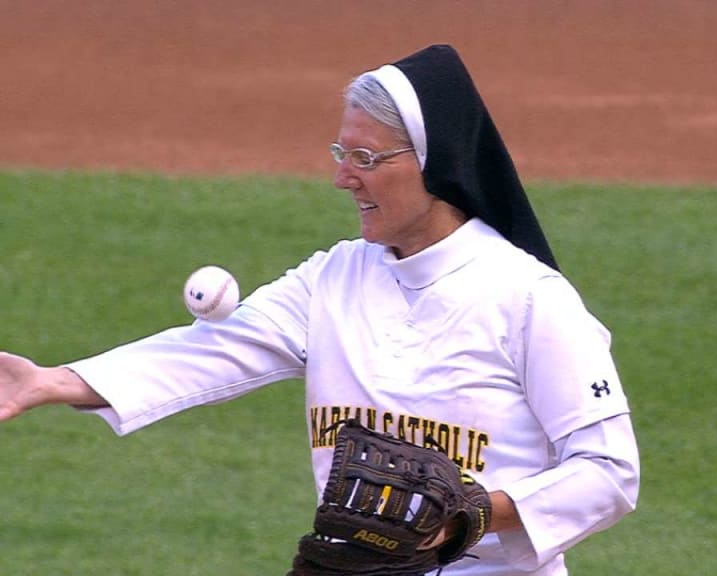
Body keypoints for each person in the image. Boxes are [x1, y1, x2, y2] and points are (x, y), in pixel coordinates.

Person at [0, 44, 639, 575]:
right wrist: (54, 382)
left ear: (435, 161)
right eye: (342, 155)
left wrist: (472, 514)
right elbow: (215, 349)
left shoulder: (528, 297)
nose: (344, 178)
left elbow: (609, 474)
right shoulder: (334, 276)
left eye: (367, 159)